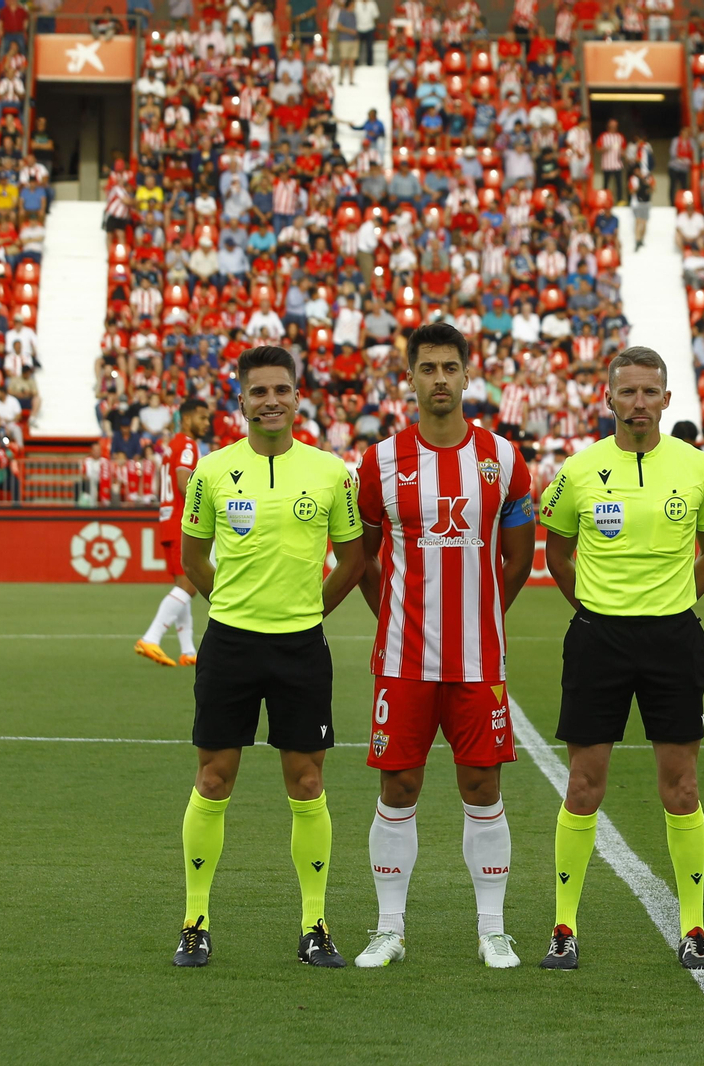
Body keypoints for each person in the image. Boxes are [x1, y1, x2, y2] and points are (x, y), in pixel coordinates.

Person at [173, 346, 369, 968]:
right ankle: (194, 920)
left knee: (307, 782)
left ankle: (315, 924)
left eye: (281, 389)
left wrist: (310, 609)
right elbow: (192, 556)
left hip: (301, 646)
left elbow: (353, 558)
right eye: (258, 391)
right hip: (229, 643)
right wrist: (228, 602)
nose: (271, 400)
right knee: (213, 779)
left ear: (297, 396)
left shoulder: (332, 472)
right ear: (242, 401)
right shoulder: (211, 471)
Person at [352, 323, 537, 970]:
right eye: (426, 368)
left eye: (448, 368)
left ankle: (492, 929)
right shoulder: (377, 463)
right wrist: (394, 617)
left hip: (477, 659)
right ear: (409, 377)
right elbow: (363, 560)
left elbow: (516, 559)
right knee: (398, 786)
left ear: (466, 376)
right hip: (402, 659)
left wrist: (482, 616)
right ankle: (388, 928)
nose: (438, 379)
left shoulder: (504, 459)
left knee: (482, 784)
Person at [537, 346, 704, 970]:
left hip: (673, 640)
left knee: (682, 786)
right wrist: (592, 607)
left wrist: (677, 602)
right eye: (629, 393)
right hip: (599, 640)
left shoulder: (699, 469)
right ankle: (564, 928)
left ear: (668, 400)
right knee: (584, 785)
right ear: (609, 398)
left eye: (651, 393)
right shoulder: (578, 470)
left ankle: (693, 929)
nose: (639, 404)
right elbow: (558, 551)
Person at [136, 399, 211, 667]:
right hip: (181, 522)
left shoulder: (172, 446)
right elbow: (184, 482)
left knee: (183, 585)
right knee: (189, 587)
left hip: (167, 518)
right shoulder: (188, 445)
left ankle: (188, 650)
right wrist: (203, 514)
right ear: (187, 417)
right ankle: (151, 638)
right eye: (202, 418)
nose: (207, 423)